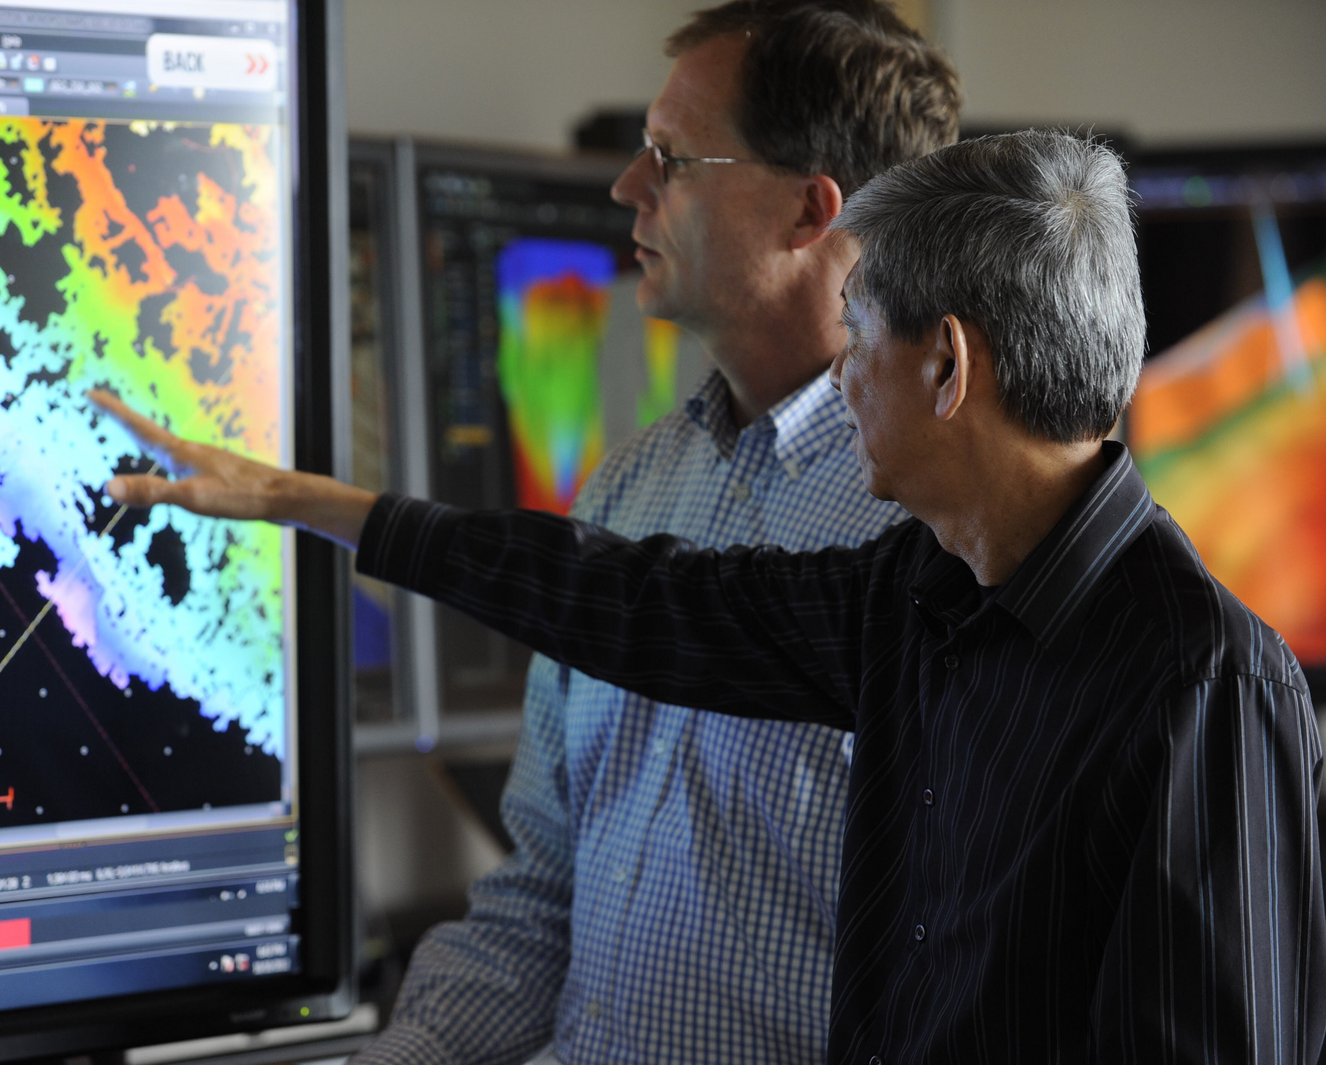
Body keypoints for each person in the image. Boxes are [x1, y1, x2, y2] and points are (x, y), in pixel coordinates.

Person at [96, 130, 1326, 1062]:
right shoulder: (925, 592)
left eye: (861, 338)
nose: (841, 375)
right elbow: (643, 604)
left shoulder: (1200, 683)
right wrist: (312, 505)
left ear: (947, 365)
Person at [384, 4, 955, 1061]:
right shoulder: (625, 496)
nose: (625, 188)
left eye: (667, 159)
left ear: (808, 210)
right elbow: (538, 900)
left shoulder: (947, 536)